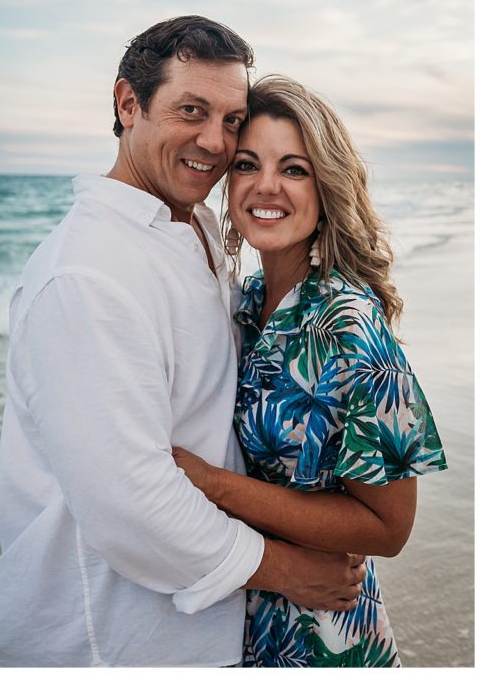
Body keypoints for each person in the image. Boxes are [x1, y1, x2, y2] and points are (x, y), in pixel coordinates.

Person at [0, 16, 366, 668]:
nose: (214, 142)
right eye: (191, 111)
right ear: (127, 103)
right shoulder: (86, 274)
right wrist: (288, 570)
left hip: (192, 632)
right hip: (107, 639)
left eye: (230, 120)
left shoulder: (192, 228)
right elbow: (132, 505)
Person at [172, 75, 447, 666]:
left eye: (293, 169)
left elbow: (389, 526)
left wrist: (211, 484)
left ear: (326, 187)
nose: (266, 186)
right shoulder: (241, 303)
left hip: (325, 635)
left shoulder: (348, 325)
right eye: (248, 164)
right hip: (238, 619)